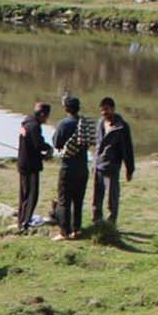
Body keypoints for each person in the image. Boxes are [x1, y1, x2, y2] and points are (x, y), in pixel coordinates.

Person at [51, 96, 97, 240]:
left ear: (66, 108)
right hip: (83, 167)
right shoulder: (84, 123)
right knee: (78, 200)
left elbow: (56, 142)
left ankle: (64, 232)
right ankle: (76, 230)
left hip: (68, 167)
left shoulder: (64, 124)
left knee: (64, 199)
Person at [92, 96, 136, 226]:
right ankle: (97, 220)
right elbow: (97, 145)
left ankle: (111, 222)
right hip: (98, 165)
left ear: (113, 109)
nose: (104, 113)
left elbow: (128, 149)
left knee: (112, 197)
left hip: (112, 166)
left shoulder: (122, 127)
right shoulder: (100, 123)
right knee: (97, 196)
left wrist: (130, 169)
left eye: (106, 109)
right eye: (102, 110)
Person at [16, 101, 51, 233]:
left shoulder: (25, 122)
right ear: (42, 114)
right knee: (31, 195)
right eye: (46, 116)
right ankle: (25, 223)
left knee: (23, 194)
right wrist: (48, 148)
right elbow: (38, 145)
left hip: (23, 163)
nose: (46, 119)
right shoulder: (34, 126)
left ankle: (21, 220)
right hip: (31, 166)